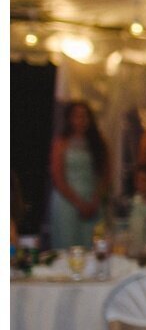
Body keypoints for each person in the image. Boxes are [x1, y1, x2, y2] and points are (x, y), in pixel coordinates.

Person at [49, 100, 110, 248]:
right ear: (69, 118)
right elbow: (57, 177)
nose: (81, 120)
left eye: (84, 116)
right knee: (68, 246)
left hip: (92, 199)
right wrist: (79, 203)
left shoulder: (98, 141)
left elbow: (106, 174)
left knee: (92, 244)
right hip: (67, 201)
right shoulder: (61, 142)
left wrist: (96, 200)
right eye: (77, 116)